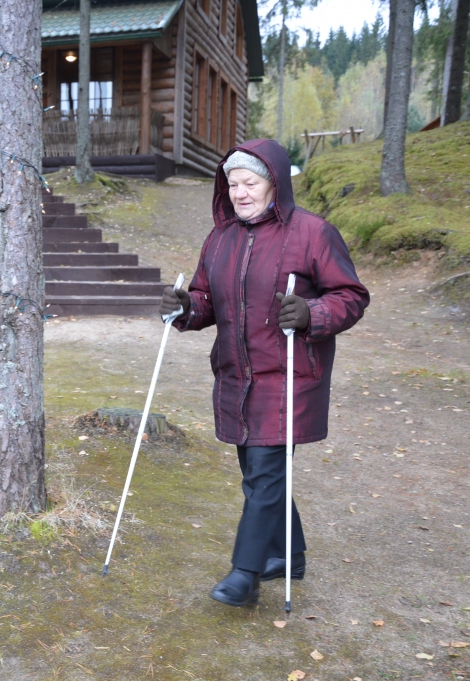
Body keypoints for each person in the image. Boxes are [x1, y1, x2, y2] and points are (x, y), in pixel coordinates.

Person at [159, 139, 369, 607]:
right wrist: (184, 307)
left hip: (291, 374)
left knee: (265, 474)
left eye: (250, 182)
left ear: (275, 183)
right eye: (232, 184)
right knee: (257, 471)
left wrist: (312, 313)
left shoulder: (313, 233)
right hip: (237, 375)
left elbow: (351, 296)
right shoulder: (220, 238)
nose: (240, 192)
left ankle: (245, 574)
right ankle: (286, 555)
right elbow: (207, 300)